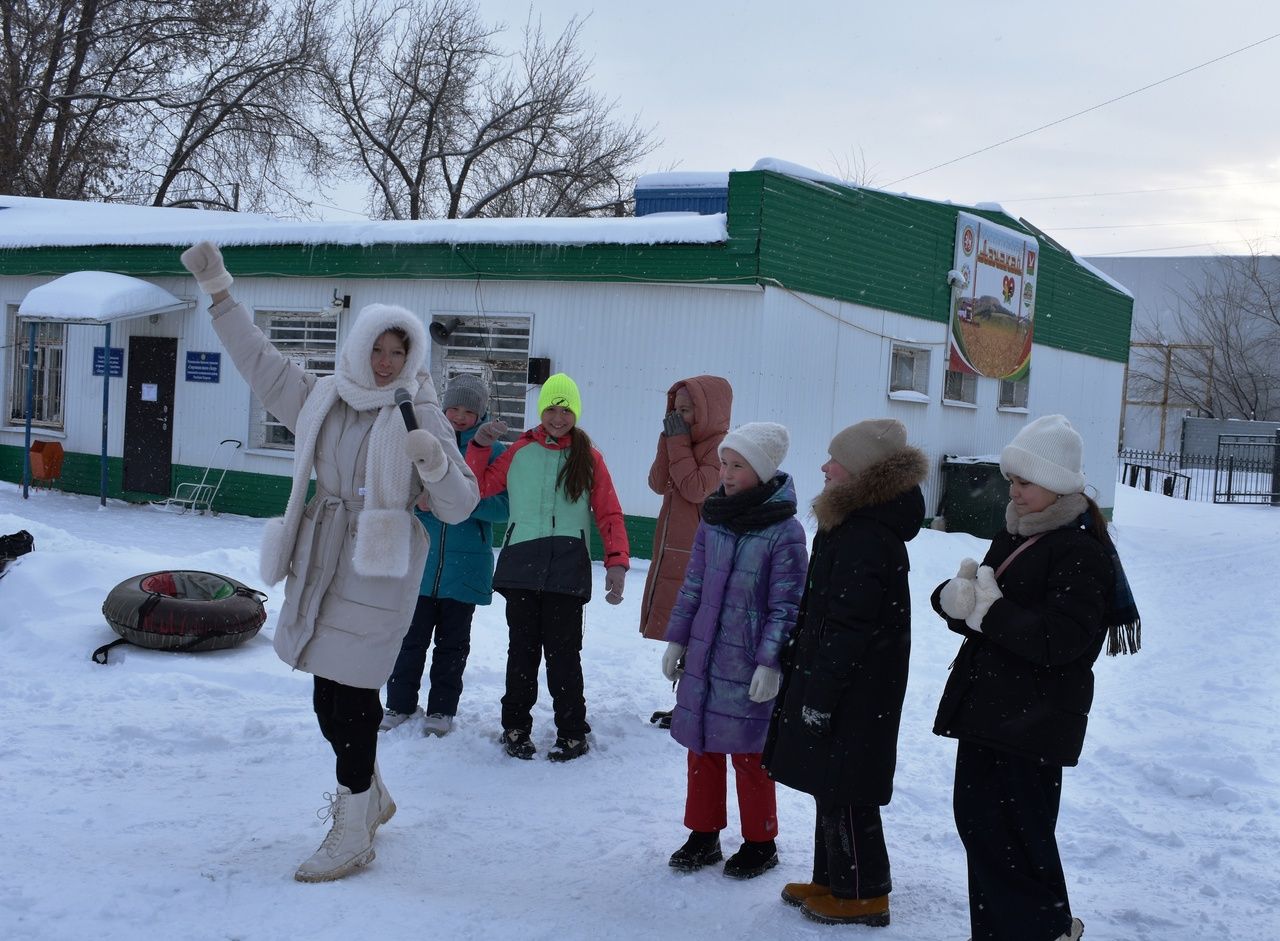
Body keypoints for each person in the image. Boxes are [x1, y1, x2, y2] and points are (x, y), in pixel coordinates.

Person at [179, 241, 479, 883]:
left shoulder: (419, 409)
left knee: (353, 699)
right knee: (326, 701)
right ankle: (372, 797)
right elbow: (258, 361)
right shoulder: (324, 397)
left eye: (399, 353)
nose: (386, 362)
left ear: (413, 357)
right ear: (360, 345)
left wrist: (430, 460)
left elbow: (460, 503)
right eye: (378, 348)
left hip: (379, 567)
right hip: (322, 560)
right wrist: (221, 292)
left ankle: (352, 830)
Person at [931, 414, 1140, 941]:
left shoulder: (1082, 550)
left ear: (1058, 484)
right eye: (1013, 481)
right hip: (991, 710)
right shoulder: (1017, 531)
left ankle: (1041, 929)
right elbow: (986, 602)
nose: (1014, 491)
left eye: (1025, 482)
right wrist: (954, 602)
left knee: (1017, 837)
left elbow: (1061, 642)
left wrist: (989, 614)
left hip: (1034, 719)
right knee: (984, 831)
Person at [763, 418, 926, 927]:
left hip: (857, 688)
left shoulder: (865, 535)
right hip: (844, 682)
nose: (824, 467)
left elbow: (849, 626)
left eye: (835, 460)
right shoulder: (851, 525)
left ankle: (863, 893)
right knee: (828, 781)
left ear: (859, 473)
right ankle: (832, 878)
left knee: (847, 787)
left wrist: (822, 692)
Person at [661, 422, 808, 880]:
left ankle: (761, 842)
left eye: (737, 465)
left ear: (762, 471)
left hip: (747, 663)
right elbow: (694, 585)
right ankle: (703, 834)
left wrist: (771, 661)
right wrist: (677, 638)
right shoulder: (715, 518)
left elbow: (788, 605)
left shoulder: (785, 532)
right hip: (705, 656)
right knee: (701, 746)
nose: (725, 472)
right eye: (724, 463)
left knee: (750, 752)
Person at [465, 372, 629, 762]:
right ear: (542, 411)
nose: (558, 418)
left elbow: (609, 512)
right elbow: (478, 486)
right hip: (521, 565)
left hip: (568, 570)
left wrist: (617, 563)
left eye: (566, 410)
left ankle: (572, 732)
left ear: (576, 413)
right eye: (552, 409)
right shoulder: (518, 451)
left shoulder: (588, 457)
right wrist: (479, 445)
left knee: (563, 655)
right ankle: (515, 727)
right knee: (521, 653)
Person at [381, 374, 509, 736]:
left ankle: (441, 711)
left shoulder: (495, 453)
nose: (459, 416)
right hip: (420, 565)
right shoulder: (424, 442)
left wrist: (462, 503)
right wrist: (421, 503)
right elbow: (400, 492)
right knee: (409, 642)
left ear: (481, 413)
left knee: (452, 649)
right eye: (453, 407)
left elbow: (503, 508)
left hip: (465, 568)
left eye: (469, 410)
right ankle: (399, 704)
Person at [639, 376, 733, 730]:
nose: (678, 416)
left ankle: (697, 706)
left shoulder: (721, 448)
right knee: (686, 633)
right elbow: (657, 482)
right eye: (674, 410)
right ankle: (687, 703)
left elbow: (696, 488)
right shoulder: (680, 440)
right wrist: (668, 440)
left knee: (700, 631)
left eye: (686, 410)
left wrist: (676, 441)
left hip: (702, 555)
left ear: (707, 411)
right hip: (674, 550)